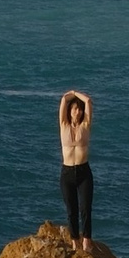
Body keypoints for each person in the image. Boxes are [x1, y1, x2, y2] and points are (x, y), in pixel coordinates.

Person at [58, 87, 94, 244]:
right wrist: (70, 94)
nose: (77, 112)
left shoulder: (85, 125)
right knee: (71, 210)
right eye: (74, 109)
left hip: (83, 171)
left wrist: (76, 94)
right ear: (69, 111)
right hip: (67, 173)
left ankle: (86, 241)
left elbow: (88, 101)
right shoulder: (63, 125)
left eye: (79, 109)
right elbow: (63, 100)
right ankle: (75, 241)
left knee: (85, 208)